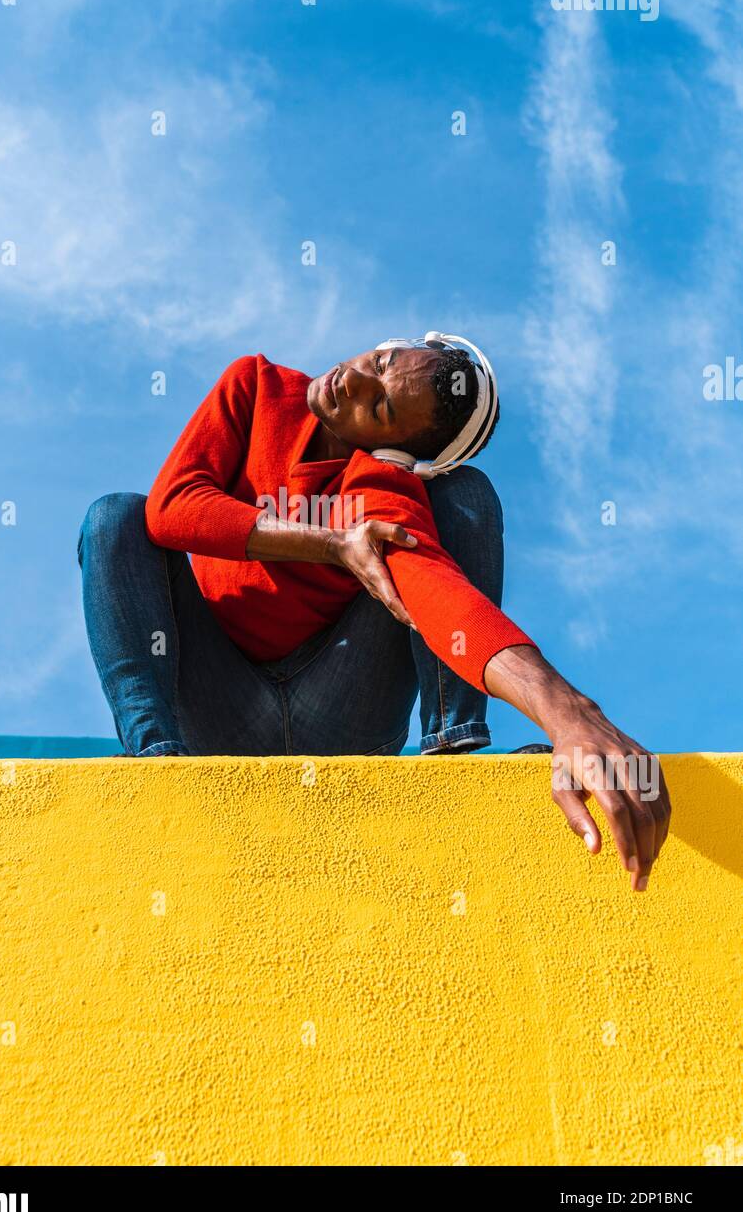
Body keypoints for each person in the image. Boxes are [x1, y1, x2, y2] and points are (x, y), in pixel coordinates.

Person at [78, 333, 671, 891]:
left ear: (389, 448)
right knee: (117, 519)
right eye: (384, 361)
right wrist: (332, 544)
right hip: (216, 703)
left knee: (465, 497)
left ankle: (454, 750)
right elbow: (173, 508)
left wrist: (567, 713)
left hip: (341, 710)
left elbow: (438, 595)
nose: (357, 380)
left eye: (381, 409)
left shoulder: (379, 484)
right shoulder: (256, 387)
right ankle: (153, 762)